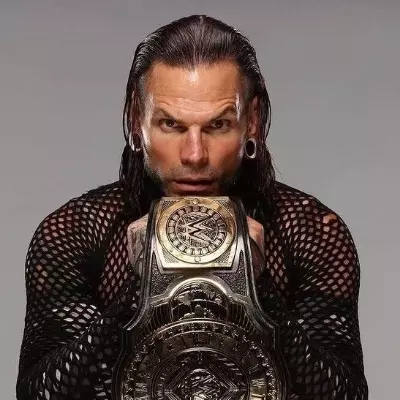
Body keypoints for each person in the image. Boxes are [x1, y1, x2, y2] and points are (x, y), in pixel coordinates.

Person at [16, 15, 368, 399]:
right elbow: (41, 392)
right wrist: (136, 291)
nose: (195, 155)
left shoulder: (311, 233)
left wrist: (257, 290)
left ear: (252, 121)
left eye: (218, 126)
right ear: (136, 118)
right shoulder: (77, 232)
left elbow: (345, 394)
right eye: (171, 125)